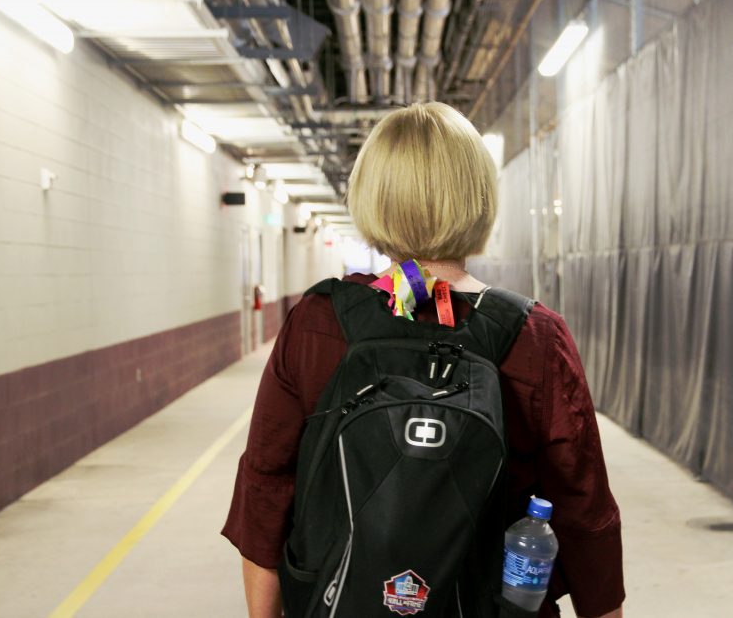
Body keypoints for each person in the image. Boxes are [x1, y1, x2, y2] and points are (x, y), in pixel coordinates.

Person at [222, 102, 625, 618]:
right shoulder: (535, 335)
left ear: (373, 196)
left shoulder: (320, 324)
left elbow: (266, 486)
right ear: (478, 197)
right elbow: (584, 510)